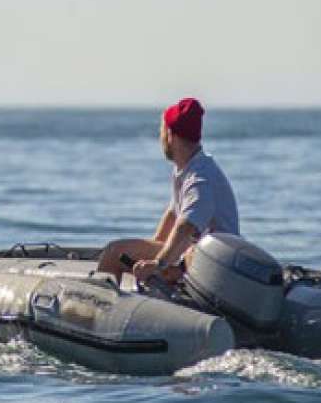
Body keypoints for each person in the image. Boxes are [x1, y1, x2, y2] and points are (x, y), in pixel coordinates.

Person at [96, 98, 239, 286]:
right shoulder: (188, 169)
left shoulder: (200, 179)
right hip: (195, 258)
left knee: (113, 253)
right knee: (132, 254)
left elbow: (187, 227)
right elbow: (173, 215)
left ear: (170, 135)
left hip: (212, 267)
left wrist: (158, 263)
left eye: (161, 132)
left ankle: (92, 309)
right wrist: (154, 252)